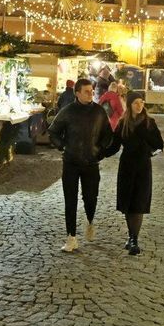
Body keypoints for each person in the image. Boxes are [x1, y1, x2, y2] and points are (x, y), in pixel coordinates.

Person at [48, 78, 113, 252]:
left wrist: (101, 150)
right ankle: (71, 237)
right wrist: (62, 146)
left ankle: (90, 220)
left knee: (90, 198)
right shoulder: (67, 111)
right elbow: (53, 131)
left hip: (91, 163)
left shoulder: (99, 112)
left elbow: (108, 134)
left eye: (91, 91)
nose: (90, 94)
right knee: (70, 200)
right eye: (86, 91)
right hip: (71, 162)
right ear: (77, 93)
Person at [111, 91, 164, 256]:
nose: (139, 105)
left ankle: (134, 239)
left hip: (142, 167)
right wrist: (97, 153)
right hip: (126, 166)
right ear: (130, 105)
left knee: (139, 203)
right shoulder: (123, 124)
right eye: (136, 103)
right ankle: (130, 235)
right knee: (128, 202)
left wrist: (149, 149)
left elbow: (160, 144)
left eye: (141, 102)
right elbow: (113, 145)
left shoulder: (149, 123)